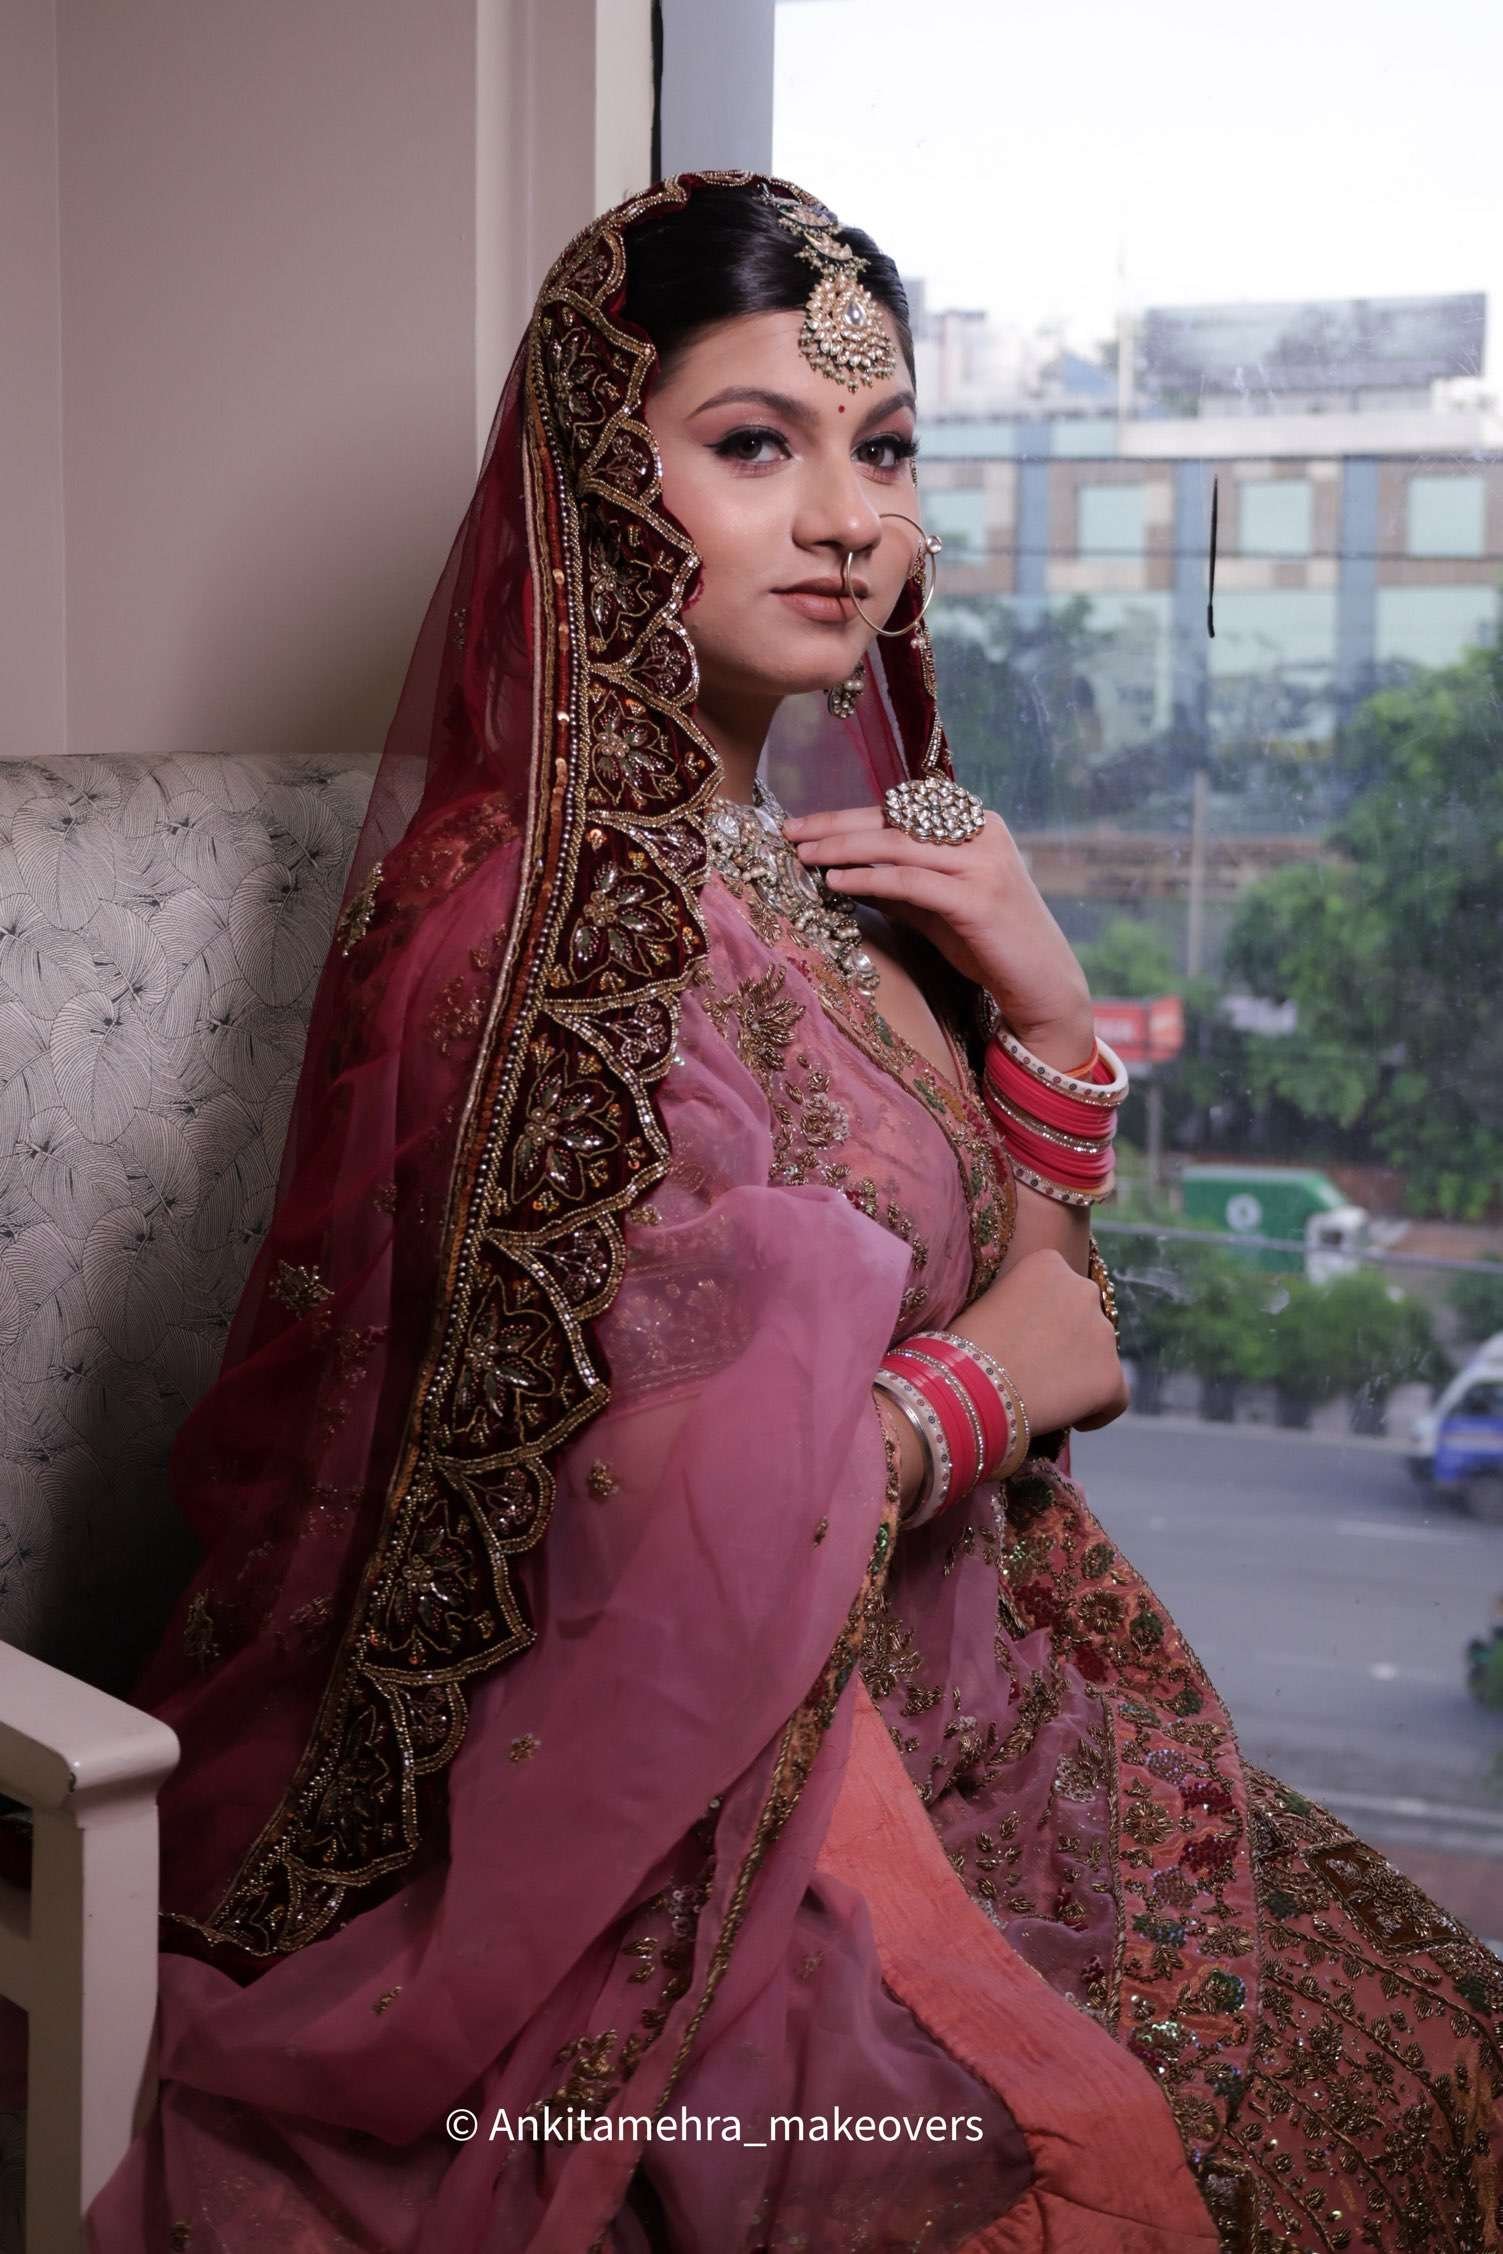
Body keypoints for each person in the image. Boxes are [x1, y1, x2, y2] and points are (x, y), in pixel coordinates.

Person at [58, 171, 1500, 2251]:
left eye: (883, 448)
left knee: (1428, 2039)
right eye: (756, 443)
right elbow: (647, 1539)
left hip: (960, 1708)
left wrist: (1046, 1000)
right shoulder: (532, 944)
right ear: (599, 489)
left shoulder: (819, 877)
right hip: (714, 1802)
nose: (846, 517)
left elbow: (1058, 1315)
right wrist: (983, 1387)